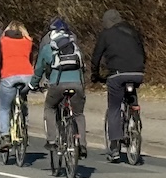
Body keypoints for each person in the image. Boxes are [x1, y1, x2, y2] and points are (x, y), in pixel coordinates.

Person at [91, 9, 147, 163]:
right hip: (137, 73)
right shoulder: (132, 32)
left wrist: (94, 75)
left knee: (114, 107)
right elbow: (143, 52)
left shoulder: (106, 35)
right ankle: (134, 116)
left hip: (117, 74)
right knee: (131, 94)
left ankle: (114, 149)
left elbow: (96, 56)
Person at [31, 19, 87, 156]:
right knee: (79, 114)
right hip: (77, 85)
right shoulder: (75, 46)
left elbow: (39, 69)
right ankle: (83, 144)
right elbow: (83, 67)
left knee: (50, 108)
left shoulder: (48, 48)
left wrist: (33, 84)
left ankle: (51, 140)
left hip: (57, 84)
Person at [0, 22, 35, 150]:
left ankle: (5, 136)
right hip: (27, 76)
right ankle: (24, 128)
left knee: (4, 107)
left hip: (9, 76)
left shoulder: (3, 42)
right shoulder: (28, 41)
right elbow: (31, 60)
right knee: (23, 100)